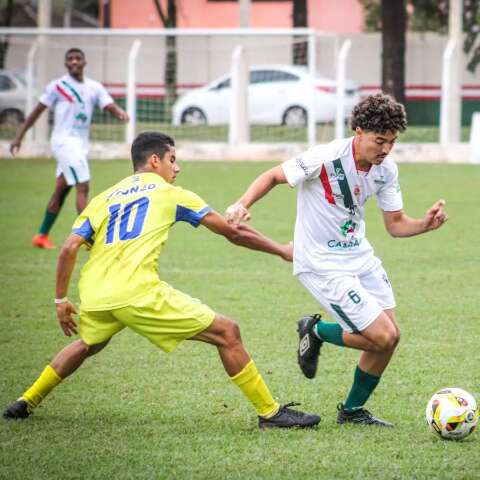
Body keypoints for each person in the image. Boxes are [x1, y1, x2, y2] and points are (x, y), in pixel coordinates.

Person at [3, 131, 320, 429]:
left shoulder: (104, 198)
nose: (177, 168)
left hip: (97, 293)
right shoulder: (170, 194)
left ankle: (26, 400)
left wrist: (60, 300)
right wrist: (282, 250)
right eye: (172, 160)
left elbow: (70, 246)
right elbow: (232, 232)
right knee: (228, 331)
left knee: (88, 343)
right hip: (137, 293)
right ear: (154, 161)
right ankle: (270, 413)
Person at [225, 93, 448, 427]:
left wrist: (425, 225)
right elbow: (273, 176)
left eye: (392, 142)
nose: (385, 149)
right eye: (379, 141)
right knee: (382, 336)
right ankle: (316, 331)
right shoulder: (325, 157)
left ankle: (352, 410)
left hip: (360, 256)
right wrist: (243, 203)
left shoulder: (386, 169)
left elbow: (396, 225)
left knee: (391, 337)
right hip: (322, 263)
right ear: (358, 132)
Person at [10, 47, 128, 249]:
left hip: (80, 144)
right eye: (70, 59)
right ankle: (89, 238)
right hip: (64, 142)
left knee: (61, 191)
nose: (74, 62)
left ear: (84, 62)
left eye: (78, 58)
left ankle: (42, 235)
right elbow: (37, 111)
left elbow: (108, 104)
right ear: (66, 63)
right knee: (83, 185)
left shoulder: (94, 87)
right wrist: (19, 136)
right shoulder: (58, 86)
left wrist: (119, 113)